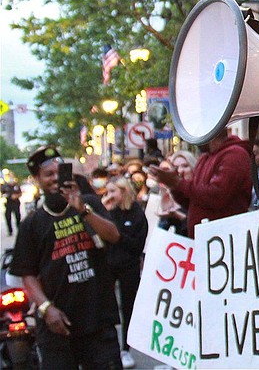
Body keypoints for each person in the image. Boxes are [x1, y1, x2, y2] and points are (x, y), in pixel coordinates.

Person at [9, 146, 122, 369]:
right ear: (37, 180)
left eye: (59, 172)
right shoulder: (32, 223)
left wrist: (82, 209)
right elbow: (27, 274)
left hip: (97, 320)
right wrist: (46, 308)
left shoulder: (90, 203)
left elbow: (114, 236)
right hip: (57, 329)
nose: (55, 179)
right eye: (48, 175)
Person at [149, 131, 252, 238]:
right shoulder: (204, 158)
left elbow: (217, 196)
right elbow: (193, 202)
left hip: (223, 239)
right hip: (204, 240)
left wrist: (177, 182)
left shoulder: (234, 154)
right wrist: (174, 186)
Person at [102, 177, 148, 369]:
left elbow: (136, 245)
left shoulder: (137, 213)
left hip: (128, 266)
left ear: (123, 191)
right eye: (108, 192)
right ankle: (109, 348)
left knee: (129, 307)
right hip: (108, 265)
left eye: (113, 191)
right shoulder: (107, 213)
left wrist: (118, 236)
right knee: (106, 307)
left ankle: (125, 349)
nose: (110, 196)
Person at [155, 159, 188, 236]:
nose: (179, 171)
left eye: (185, 166)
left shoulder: (197, 194)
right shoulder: (165, 192)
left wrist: (181, 217)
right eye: (175, 167)